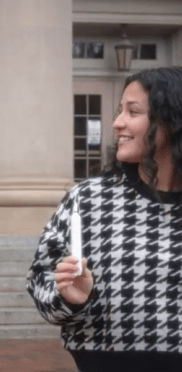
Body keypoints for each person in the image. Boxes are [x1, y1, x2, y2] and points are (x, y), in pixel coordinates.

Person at [27, 66, 182, 372]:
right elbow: (41, 279)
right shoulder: (89, 200)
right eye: (119, 110)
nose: (117, 123)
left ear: (172, 121)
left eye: (133, 111)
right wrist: (71, 298)